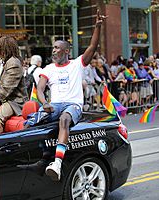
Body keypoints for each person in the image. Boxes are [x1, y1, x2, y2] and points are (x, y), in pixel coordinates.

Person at [36, 10, 107, 181]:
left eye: (57, 48)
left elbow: (92, 47)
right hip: (54, 105)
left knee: (64, 120)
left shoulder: (77, 64)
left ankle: (57, 164)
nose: (54, 51)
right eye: (53, 48)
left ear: (67, 51)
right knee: (31, 121)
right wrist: (44, 103)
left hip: (72, 106)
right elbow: (39, 89)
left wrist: (97, 26)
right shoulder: (48, 69)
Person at [0, 27, 28, 133]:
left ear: (4, 50)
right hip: (5, 100)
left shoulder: (14, 63)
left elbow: (5, 89)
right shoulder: (5, 61)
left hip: (14, 102)